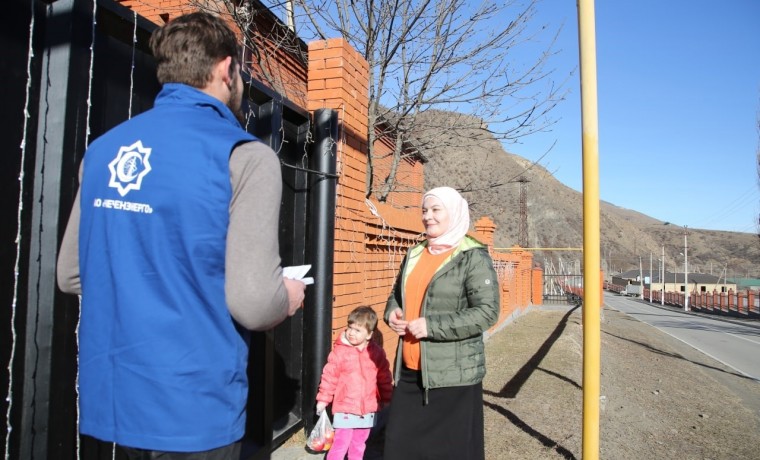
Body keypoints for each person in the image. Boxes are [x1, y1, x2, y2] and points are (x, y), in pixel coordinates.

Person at [56, 12, 306, 458]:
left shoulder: (105, 151)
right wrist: (285, 295)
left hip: (115, 401)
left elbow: (72, 274)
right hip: (196, 410)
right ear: (227, 69)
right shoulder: (245, 156)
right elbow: (253, 302)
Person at [383, 186, 500, 460]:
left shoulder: (472, 256)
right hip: (410, 371)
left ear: (455, 213)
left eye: (436, 210)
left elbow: (487, 312)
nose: (428, 217)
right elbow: (396, 295)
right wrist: (393, 312)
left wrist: (431, 326)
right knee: (398, 445)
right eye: (425, 210)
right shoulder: (415, 253)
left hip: (452, 377)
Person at [315, 306, 393, 460]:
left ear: (369, 334)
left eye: (358, 330)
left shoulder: (376, 353)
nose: (351, 332)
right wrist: (323, 399)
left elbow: (384, 377)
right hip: (345, 408)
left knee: (358, 446)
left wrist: (386, 398)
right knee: (340, 444)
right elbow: (329, 376)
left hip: (367, 411)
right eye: (350, 327)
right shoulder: (340, 352)